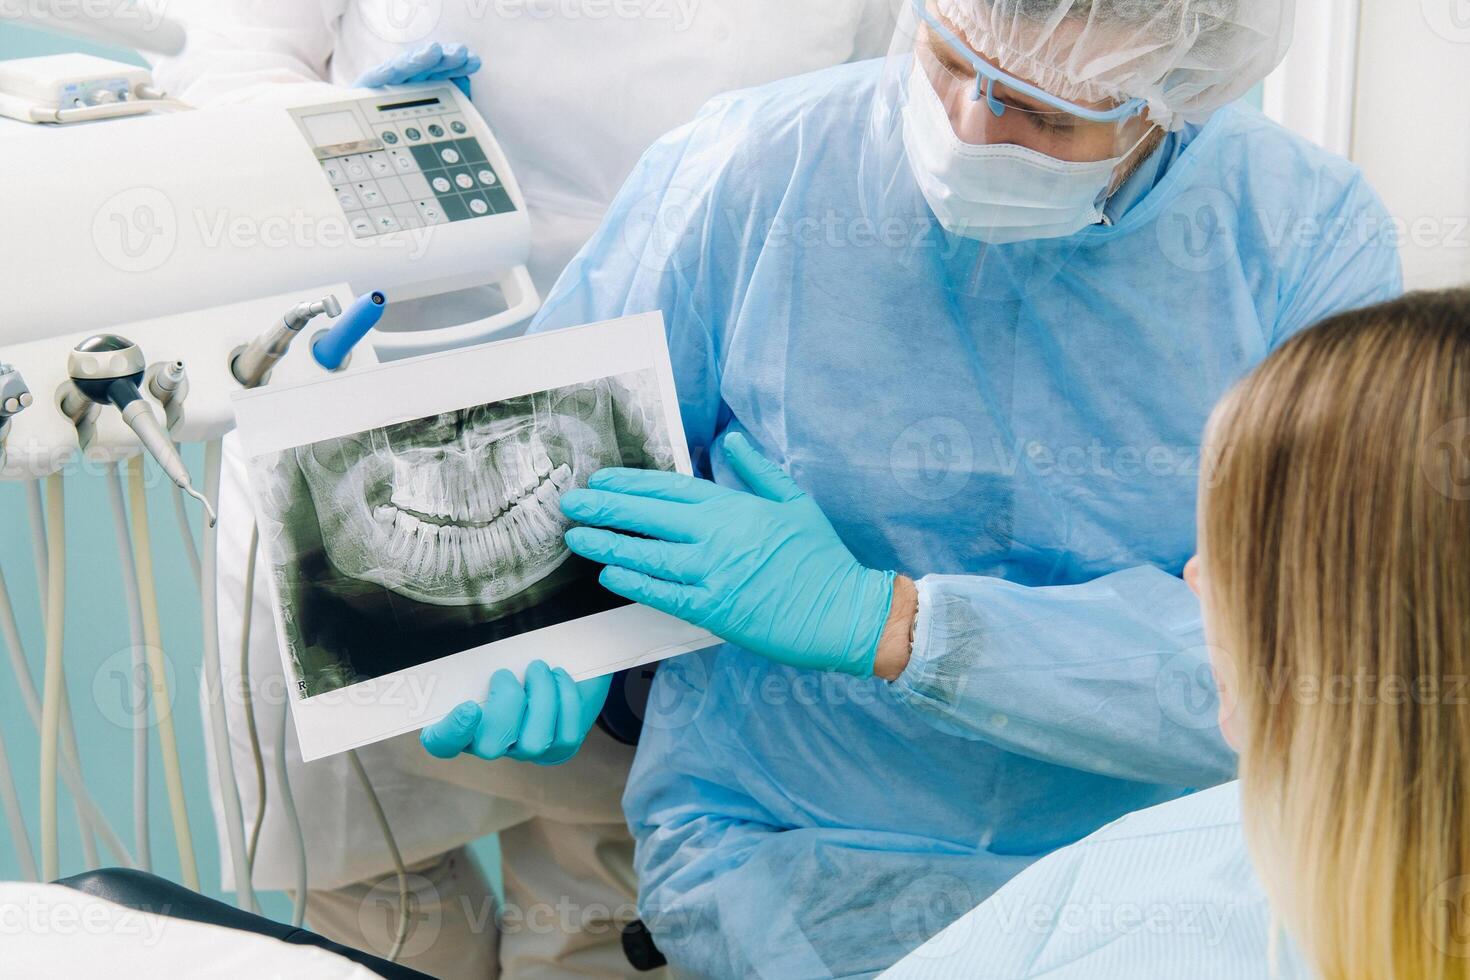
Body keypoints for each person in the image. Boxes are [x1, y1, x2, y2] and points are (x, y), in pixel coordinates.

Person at [452, 0, 1405, 973]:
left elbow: (1311, 665)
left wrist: (901, 624)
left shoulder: (1302, 242)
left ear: (1176, 98)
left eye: (1044, 117)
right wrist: (526, 628)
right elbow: (552, 462)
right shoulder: (750, 164)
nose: (970, 127)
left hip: (1153, 870)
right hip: (778, 852)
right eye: (949, 60)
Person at [148, 4, 895, 976]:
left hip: (661, 436)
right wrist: (323, 136)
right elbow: (230, 58)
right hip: (359, 409)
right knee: (378, 910)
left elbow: (892, 140)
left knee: (604, 900)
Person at [881, 288, 1470, 980]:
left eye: (1242, 544)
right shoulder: (1160, 867)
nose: (1197, 576)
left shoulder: (1157, 915)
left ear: (1364, 612)